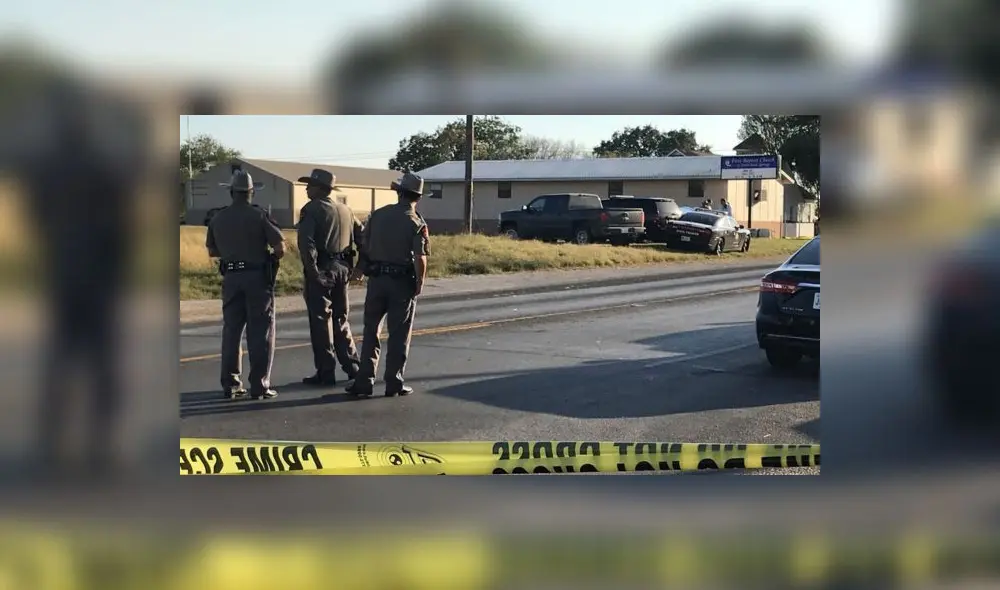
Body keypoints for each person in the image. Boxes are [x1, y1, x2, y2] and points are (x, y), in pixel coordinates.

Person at [346, 172, 431, 398]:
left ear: (399, 192)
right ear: (418, 198)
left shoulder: (378, 216)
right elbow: (420, 257)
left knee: (371, 331)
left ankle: (364, 382)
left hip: (377, 281)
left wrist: (360, 271)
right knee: (399, 334)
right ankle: (394, 382)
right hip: (401, 283)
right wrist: (420, 282)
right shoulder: (416, 222)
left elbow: (365, 247)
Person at [206, 170, 285, 400]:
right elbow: (280, 247)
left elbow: (212, 250)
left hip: (231, 278)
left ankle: (231, 384)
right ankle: (260, 385)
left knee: (231, 332)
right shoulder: (259, 216)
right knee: (260, 332)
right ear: (251, 193)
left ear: (231, 192)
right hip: (257, 278)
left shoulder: (218, 218)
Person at [296, 168, 363, 387]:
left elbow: (307, 245)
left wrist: (313, 271)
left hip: (323, 269)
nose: (307, 189)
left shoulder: (311, 210)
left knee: (321, 322)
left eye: (310, 185)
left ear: (319, 189)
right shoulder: (346, 210)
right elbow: (363, 238)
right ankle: (353, 365)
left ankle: (326, 371)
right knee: (341, 318)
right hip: (343, 267)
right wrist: (360, 267)